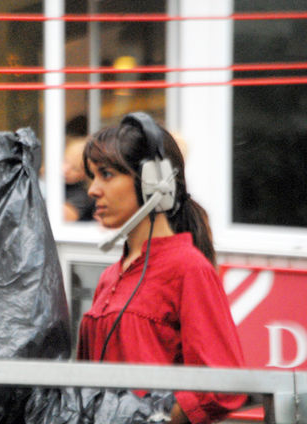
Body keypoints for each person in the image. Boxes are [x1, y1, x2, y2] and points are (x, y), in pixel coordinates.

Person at [76, 112, 247, 423]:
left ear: (155, 182)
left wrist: (158, 418)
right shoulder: (108, 278)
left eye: (107, 174)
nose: (93, 190)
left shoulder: (188, 268)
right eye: (92, 177)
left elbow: (224, 384)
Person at [63, 136, 95, 221]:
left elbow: (63, 217)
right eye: (65, 161)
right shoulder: (56, 182)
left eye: (75, 169)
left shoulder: (81, 195)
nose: (66, 170)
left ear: (85, 175)